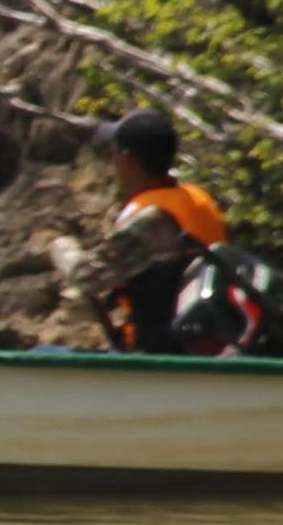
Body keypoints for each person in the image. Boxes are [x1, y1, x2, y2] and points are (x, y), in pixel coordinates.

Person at [63, 108, 230, 352]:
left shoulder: (149, 220)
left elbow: (85, 277)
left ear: (128, 160)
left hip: (160, 355)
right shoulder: (198, 199)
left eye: (113, 154)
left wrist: (62, 248)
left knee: (42, 354)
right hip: (204, 342)